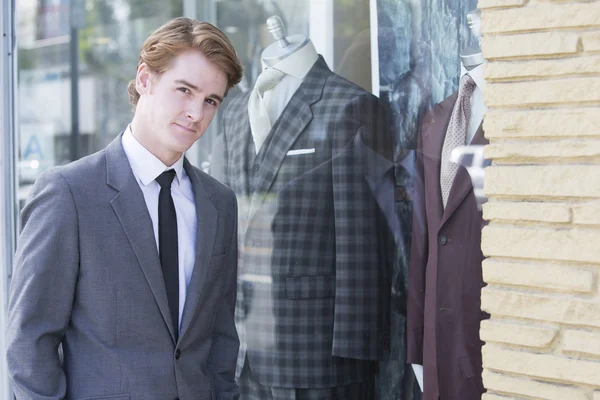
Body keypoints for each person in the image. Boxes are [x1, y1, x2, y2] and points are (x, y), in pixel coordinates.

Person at [6, 17, 243, 400]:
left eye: (210, 101)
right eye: (184, 90)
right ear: (145, 79)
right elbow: (29, 342)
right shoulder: (69, 194)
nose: (196, 113)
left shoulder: (219, 203)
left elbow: (219, 336)